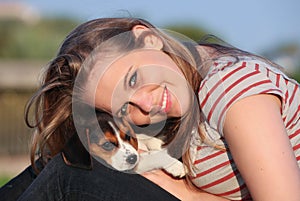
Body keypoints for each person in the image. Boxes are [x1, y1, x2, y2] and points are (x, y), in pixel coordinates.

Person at [1, 17, 299, 201]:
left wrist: (183, 193)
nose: (144, 103)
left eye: (133, 78)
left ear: (150, 39)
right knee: (59, 161)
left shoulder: (233, 90)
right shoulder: (184, 101)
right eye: (123, 108)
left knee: (68, 179)